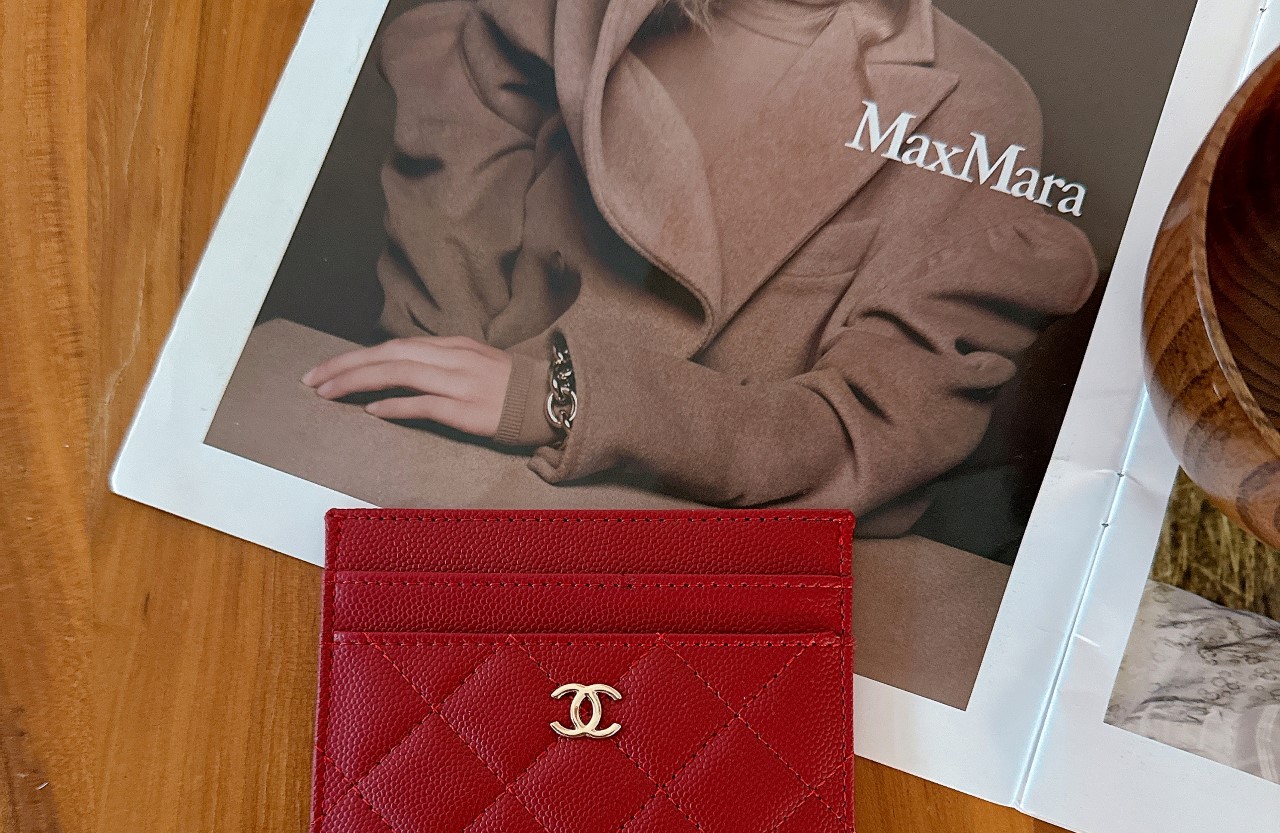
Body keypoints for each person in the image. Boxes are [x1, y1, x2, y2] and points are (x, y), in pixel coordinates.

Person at [302, 0, 1098, 528]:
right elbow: (448, 227)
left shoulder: (977, 107)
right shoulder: (560, 13)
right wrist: (436, 389)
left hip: (715, 546)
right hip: (443, 479)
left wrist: (562, 399)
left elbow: (870, 434)